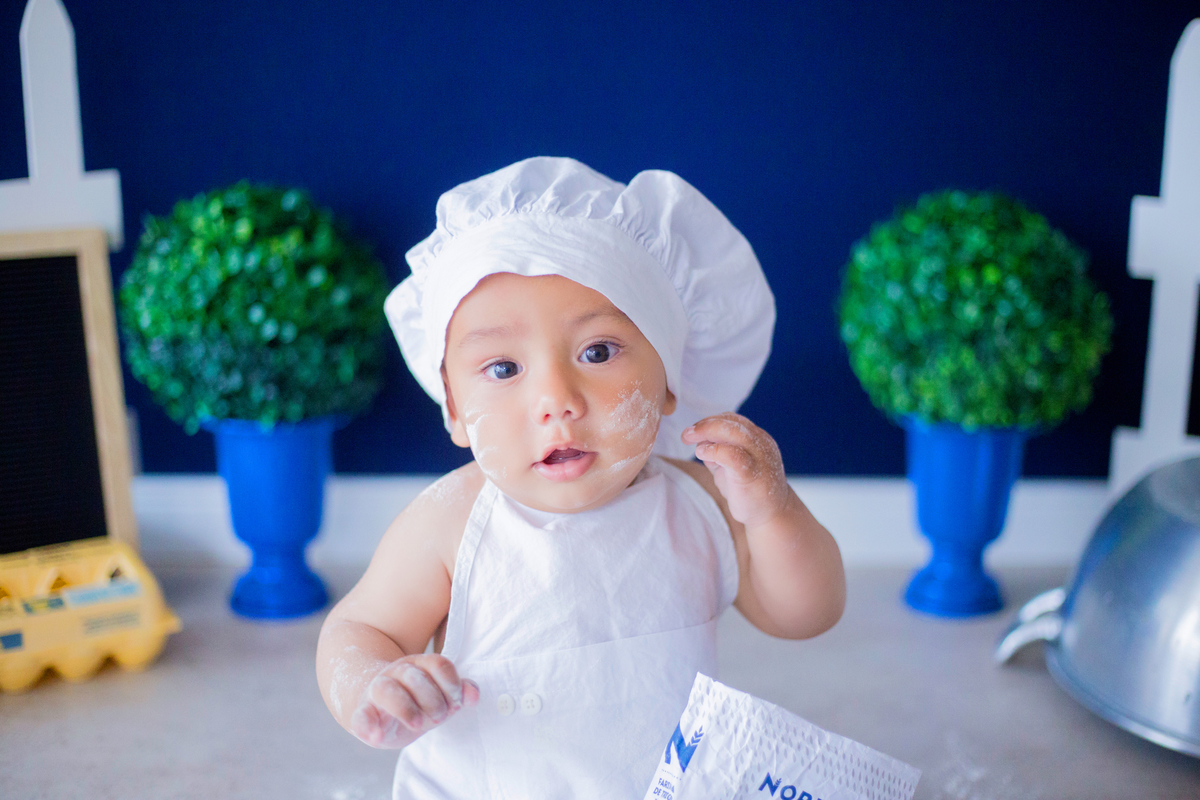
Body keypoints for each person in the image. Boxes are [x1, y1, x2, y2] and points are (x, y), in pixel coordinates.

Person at [315, 157, 845, 799]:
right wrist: (374, 682)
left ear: (670, 378)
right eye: (504, 368)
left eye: (598, 352)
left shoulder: (698, 503)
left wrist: (771, 511)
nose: (556, 399)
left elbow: (805, 614)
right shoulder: (450, 521)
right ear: (453, 408)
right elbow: (359, 631)